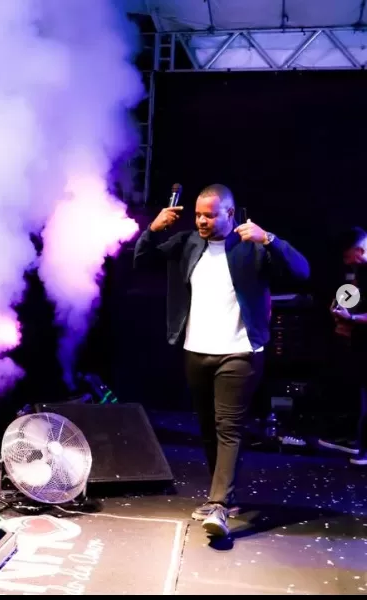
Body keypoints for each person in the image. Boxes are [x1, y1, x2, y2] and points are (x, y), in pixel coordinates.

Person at [134, 183, 310, 537]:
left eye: (210, 215)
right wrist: (152, 229)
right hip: (197, 350)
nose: (202, 221)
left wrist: (269, 239)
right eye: (198, 214)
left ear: (230, 214)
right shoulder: (187, 244)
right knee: (208, 429)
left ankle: (217, 503)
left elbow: (302, 271)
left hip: (239, 352)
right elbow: (142, 262)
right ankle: (224, 499)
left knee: (228, 427)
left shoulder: (251, 246)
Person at [318, 227, 367, 466]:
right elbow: (354, 291)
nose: (347, 263)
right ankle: (353, 440)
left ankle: (364, 449)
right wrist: (340, 305)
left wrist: (353, 318)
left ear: (360, 250)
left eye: (349, 257)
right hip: (359, 342)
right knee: (356, 389)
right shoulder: (361, 268)